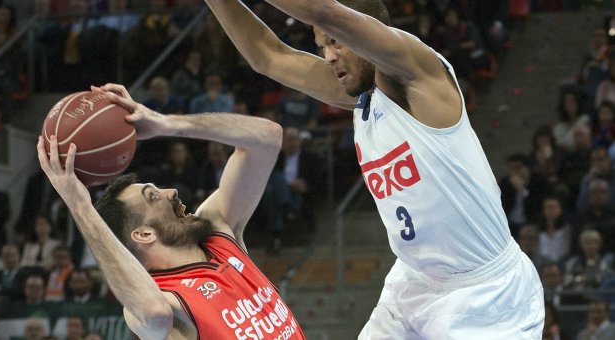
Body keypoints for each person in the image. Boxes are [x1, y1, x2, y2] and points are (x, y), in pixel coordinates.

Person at [203, 0, 544, 337]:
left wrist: (333, 20)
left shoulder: (418, 74)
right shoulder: (359, 96)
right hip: (414, 281)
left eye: (334, 41)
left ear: (364, 29)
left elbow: (323, 10)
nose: (328, 55)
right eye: (320, 46)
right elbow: (267, 55)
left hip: (486, 295)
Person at [36, 83, 304, 340]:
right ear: (142, 234)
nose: (172, 192)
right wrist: (80, 206)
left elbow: (267, 138)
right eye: (153, 196)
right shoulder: (164, 301)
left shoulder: (217, 229)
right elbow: (154, 314)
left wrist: (166, 124)